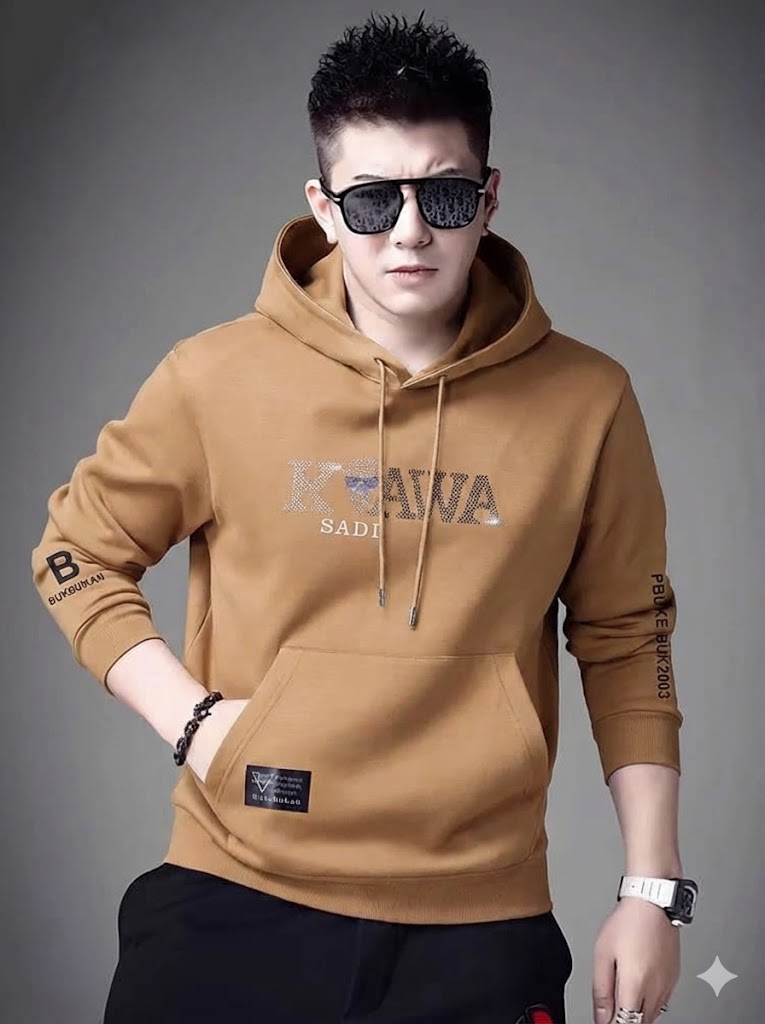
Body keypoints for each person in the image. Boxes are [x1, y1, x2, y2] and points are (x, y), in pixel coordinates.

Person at [30, 11, 694, 1024]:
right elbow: (75, 551)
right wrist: (192, 722)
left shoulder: (588, 402)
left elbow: (627, 637)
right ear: (324, 207)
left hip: (480, 926)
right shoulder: (215, 379)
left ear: (490, 198)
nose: (410, 231)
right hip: (233, 894)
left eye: (444, 194)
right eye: (374, 199)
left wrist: (651, 889)